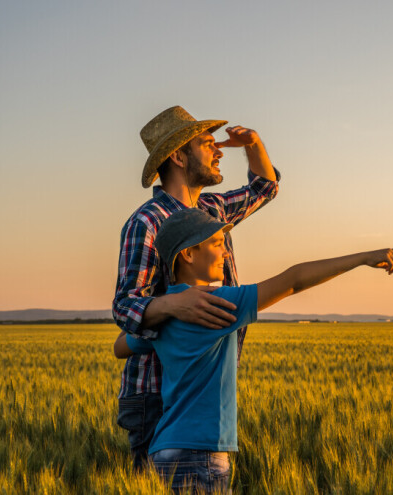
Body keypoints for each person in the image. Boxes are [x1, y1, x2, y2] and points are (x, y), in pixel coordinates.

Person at [114, 208, 393, 494]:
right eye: (218, 244)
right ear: (188, 254)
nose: (226, 253)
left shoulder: (164, 311)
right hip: (201, 455)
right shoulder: (217, 303)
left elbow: (120, 347)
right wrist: (363, 258)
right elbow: (294, 280)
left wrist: (161, 315)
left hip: (162, 452)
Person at [113, 106, 281, 470]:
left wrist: (253, 143)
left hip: (197, 391)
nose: (220, 151)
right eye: (208, 144)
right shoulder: (147, 221)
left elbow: (265, 187)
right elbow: (125, 306)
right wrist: (175, 305)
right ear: (178, 155)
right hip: (155, 392)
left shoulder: (212, 209)